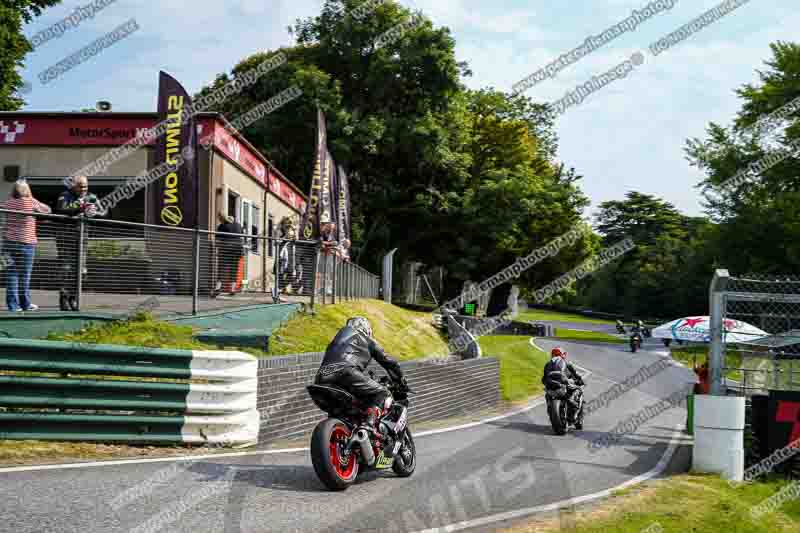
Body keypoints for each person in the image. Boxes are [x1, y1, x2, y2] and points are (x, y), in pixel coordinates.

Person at [314, 317, 407, 434]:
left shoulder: (336, 341)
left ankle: (339, 433)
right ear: (366, 329)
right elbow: (389, 362)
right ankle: (368, 426)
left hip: (320, 378)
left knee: (339, 411)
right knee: (382, 393)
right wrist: (400, 380)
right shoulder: (366, 339)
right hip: (346, 372)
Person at [0, 180, 51, 312]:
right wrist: (31, 198)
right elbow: (47, 210)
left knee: (10, 274)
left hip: (8, 244)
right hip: (27, 244)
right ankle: (25, 304)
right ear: (27, 190)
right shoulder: (31, 202)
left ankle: (13, 306)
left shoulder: (8, 203)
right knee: (25, 275)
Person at [55, 175, 100, 311]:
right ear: (74, 185)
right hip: (65, 237)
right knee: (66, 269)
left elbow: (104, 211)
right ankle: (64, 298)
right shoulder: (65, 195)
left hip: (82, 237)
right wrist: (81, 207)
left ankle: (73, 298)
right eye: (80, 186)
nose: (83, 189)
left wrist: (95, 212)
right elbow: (61, 209)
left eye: (85, 186)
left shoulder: (92, 196)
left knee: (80, 270)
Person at [541, 347, 585, 429]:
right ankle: (575, 417)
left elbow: (543, 379)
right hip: (563, 388)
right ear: (563, 355)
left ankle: (554, 413)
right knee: (579, 391)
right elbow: (576, 376)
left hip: (551, 389)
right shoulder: (567, 364)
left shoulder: (548, 364)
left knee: (548, 396)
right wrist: (580, 381)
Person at [215, 213, 245, 296]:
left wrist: (217, 249)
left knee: (221, 269)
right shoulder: (238, 225)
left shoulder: (222, 226)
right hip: (237, 249)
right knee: (234, 270)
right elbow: (242, 236)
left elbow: (218, 239)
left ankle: (218, 288)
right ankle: (232, 289)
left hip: (226, 249)